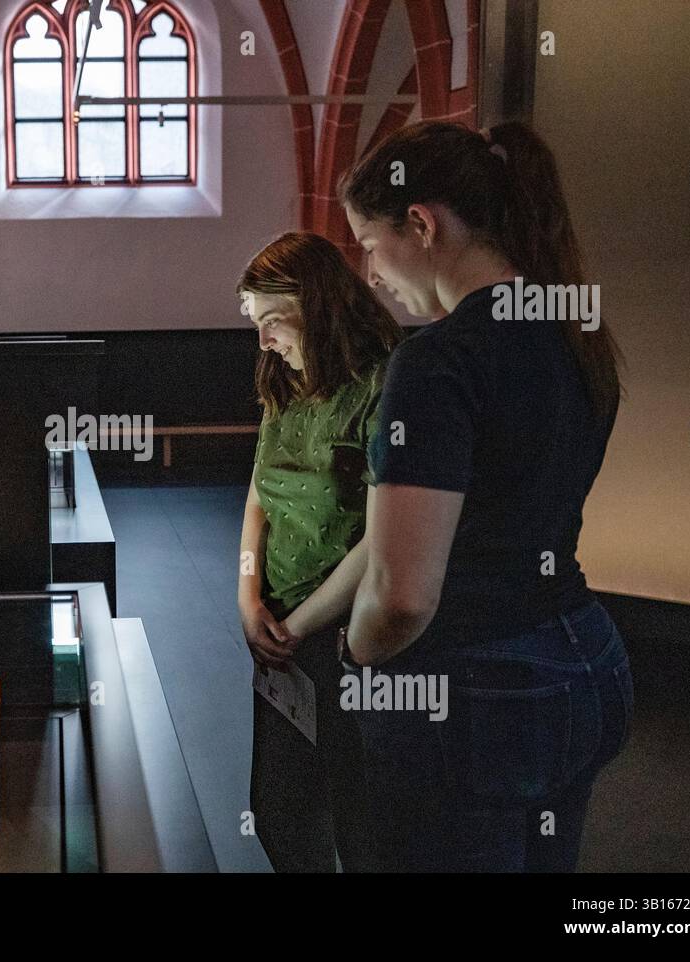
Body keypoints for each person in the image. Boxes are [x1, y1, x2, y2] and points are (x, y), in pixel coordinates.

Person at [338, 119, 634, 871]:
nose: (372, 274)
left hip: (478, 690)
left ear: (421, 223)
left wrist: (353, 652)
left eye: (371, 246)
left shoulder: (437, 362)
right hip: (586, 660)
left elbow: (402, 596)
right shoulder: (573, 333)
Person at [237, 231, 403, 872]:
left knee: (362, 818)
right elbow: (258, 498)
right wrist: (248, 596)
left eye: (273, 321)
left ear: (319, 304)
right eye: (256, 323)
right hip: (277, 628)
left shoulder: (383, 386)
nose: (263, 340)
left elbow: (380, 537)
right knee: (280, 809)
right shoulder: (282, 380)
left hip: (342, 635)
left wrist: (298, 627)